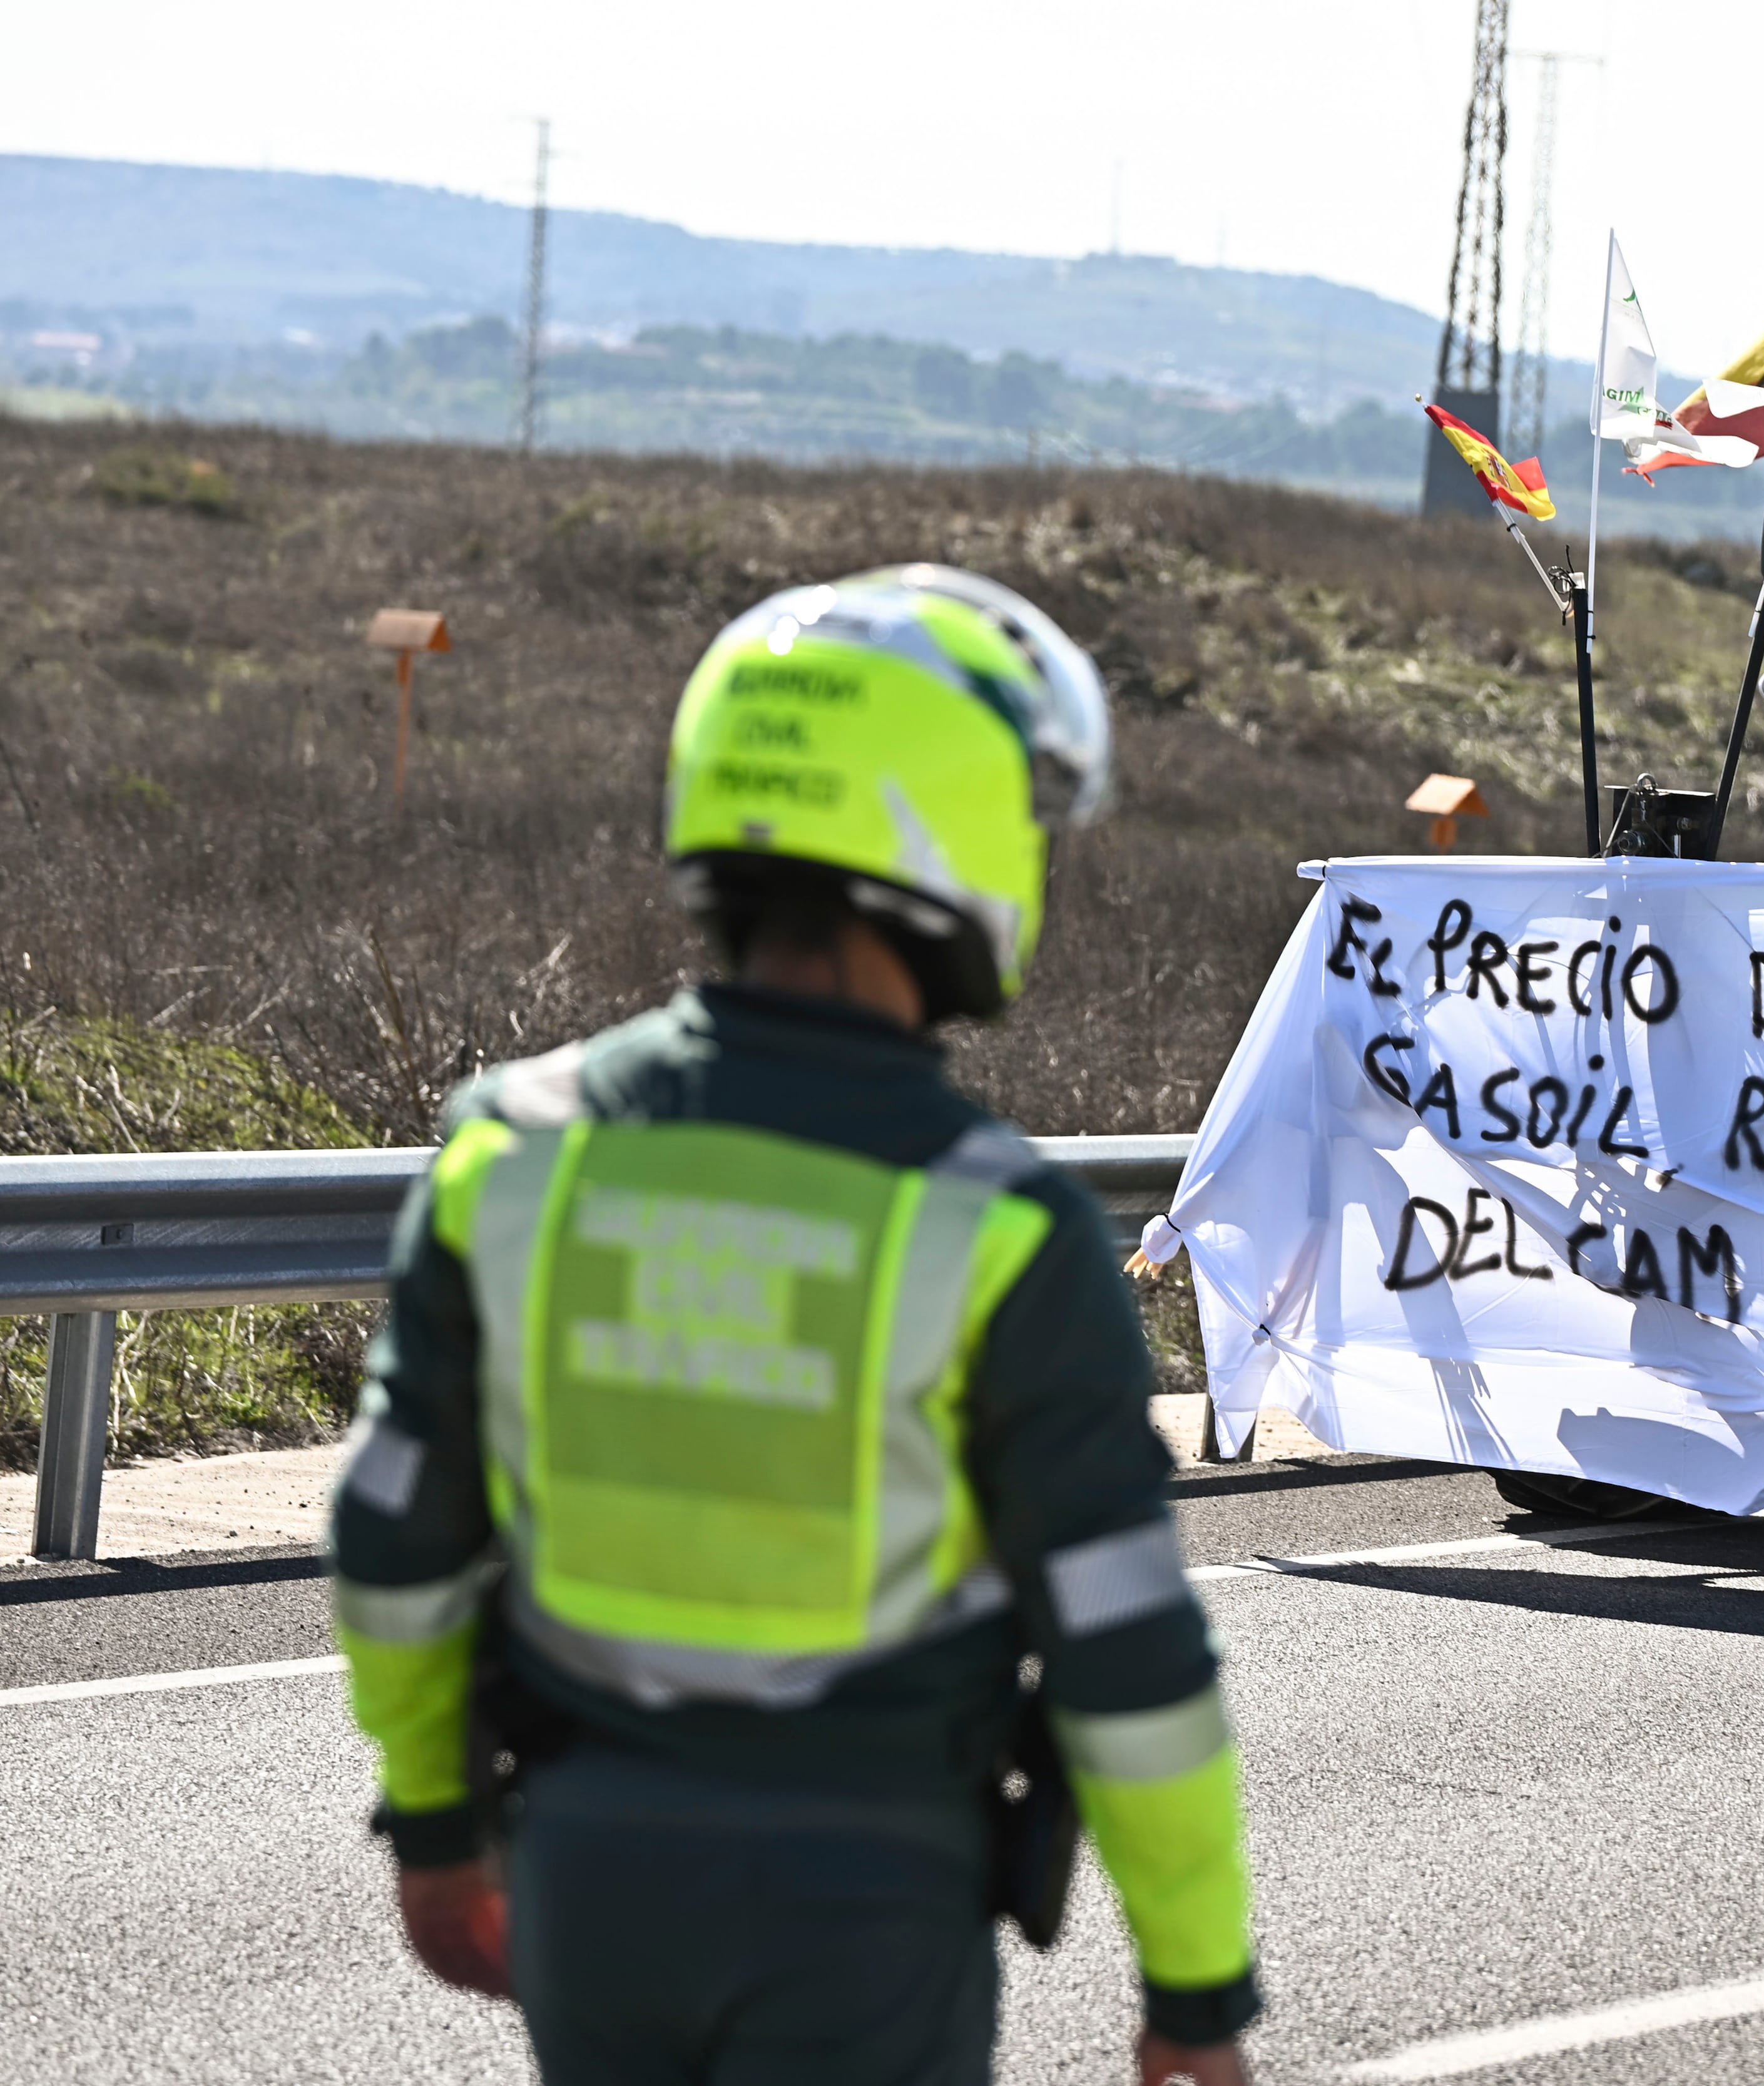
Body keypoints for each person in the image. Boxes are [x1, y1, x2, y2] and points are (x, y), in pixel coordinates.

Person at [328, 565, 1258, 2086]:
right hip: (865, 1913)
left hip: (584, 1880)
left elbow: (391, 1529)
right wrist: (1196, 1995)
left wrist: (433, 1830)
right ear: (943, 822)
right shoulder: (1001, 1231)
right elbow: (1126, 1650)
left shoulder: (514, 1149)